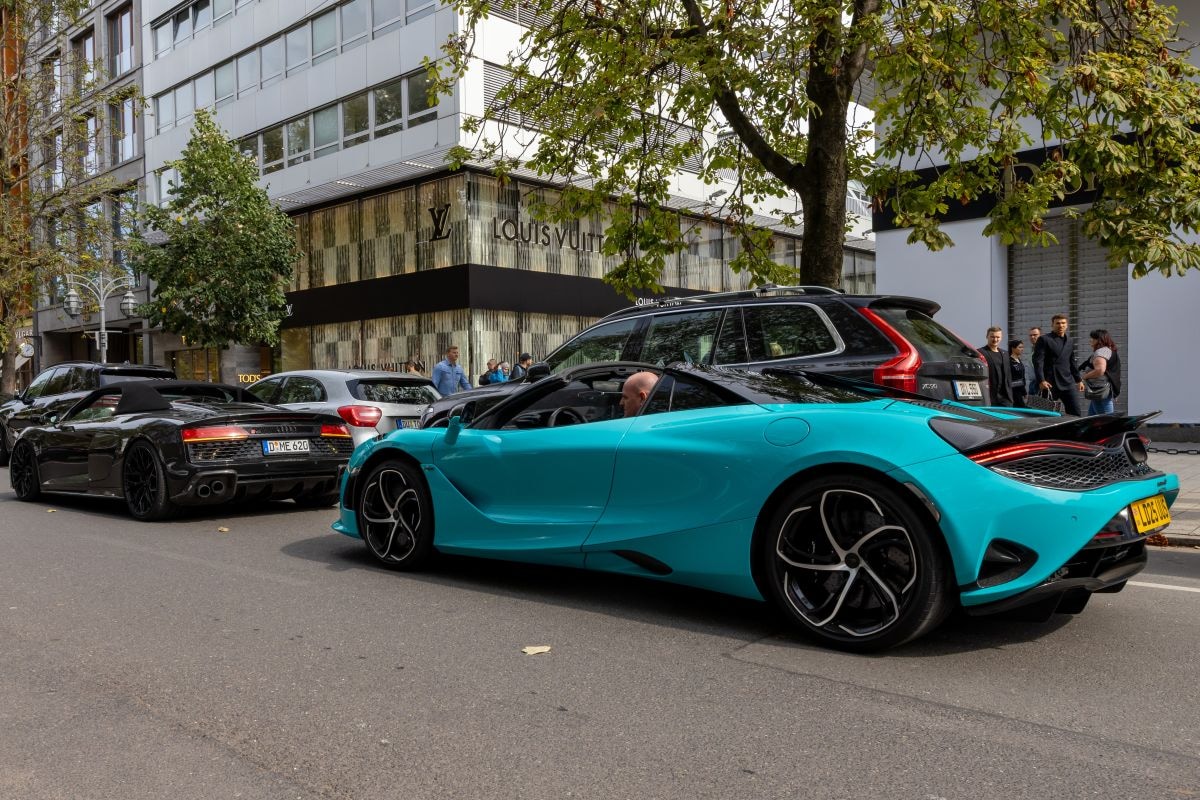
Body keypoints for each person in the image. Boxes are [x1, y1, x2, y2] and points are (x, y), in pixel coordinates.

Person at [1033, 313, 1083, 416]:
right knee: (1045, 415)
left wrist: (1078, 380)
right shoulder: (1044, 339)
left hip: (1067, 382)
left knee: (1076, 413)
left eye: (1063, 323)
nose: (1061, 325)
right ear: (1052, 325)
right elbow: (1038, 362)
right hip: (1049, 383)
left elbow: (1072, 361)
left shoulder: (1070, 341)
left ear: (1067, 325)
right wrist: (1041, 380)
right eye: (1058, 323)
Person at [1081, 329, 1121, 415]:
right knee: (1091, 418)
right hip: (1100, 389)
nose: (1090, 340)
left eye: (1093, 338)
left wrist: (1085, 377)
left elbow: (1100, 370)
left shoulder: (1101, 352)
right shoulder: (1108, 350)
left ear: (1100, 340)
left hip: (1099, 389)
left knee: (1104, 418)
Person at [978, 327, 1013, 406]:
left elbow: (1008, 375)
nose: (995, 339)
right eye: (992, 337)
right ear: (987, 336)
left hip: (1005, 396)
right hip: (989, 395)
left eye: (998, 337)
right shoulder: (980, 353)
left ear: (1001, 338)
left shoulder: (1005, 354)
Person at [1008, 339, 1028, 408]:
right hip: (1014, 391)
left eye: (1022, 347)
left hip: (1020, 389)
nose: (1022, 349)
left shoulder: (1019, 360)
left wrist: (1024, 391)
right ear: (1013, 348)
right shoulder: (1009, 361)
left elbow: (1022, 377)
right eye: (1020, 347)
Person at [1027, 327, 1042, 394]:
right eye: (1031, 335)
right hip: (1032, 383)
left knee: (1042, 404)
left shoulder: (1044, 349)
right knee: (1031, 404)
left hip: (1040, 383)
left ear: (1040, 336)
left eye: (1035, 335)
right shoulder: (1033, 349)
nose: (1032, 337)